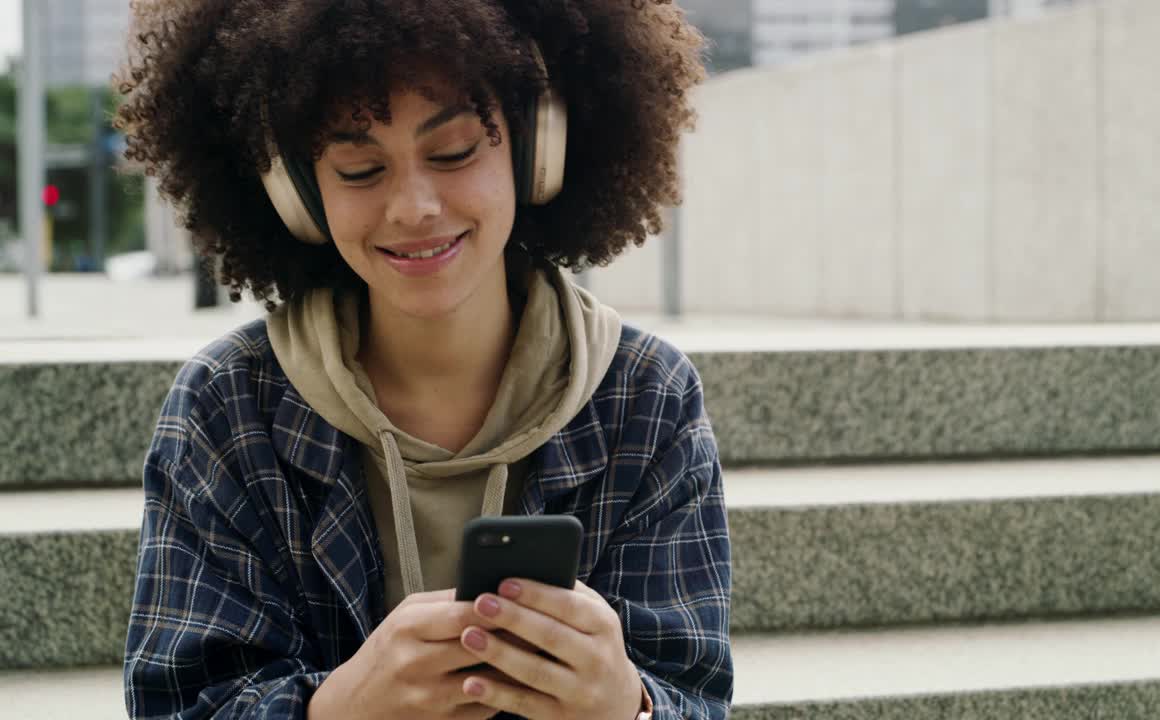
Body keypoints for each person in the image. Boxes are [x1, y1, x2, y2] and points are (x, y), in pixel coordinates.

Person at [114, 1, 732, 718]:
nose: (413, 206)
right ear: (295, 195)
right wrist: (333, 711)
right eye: (359, 168)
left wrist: (631, 707)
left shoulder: (647, 398)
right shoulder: (226, 407)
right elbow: (180, 704)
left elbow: (695, 697)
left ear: (541, 148)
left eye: (454, 152)